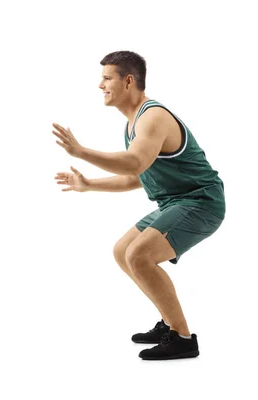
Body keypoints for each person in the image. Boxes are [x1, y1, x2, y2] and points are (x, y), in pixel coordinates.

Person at [53, 50, 225, 360]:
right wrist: (88, 185)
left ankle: (182, 338)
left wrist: (80, 151)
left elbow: (134, 160)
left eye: (107, 77)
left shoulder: (153, 117)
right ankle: (169, 323)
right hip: (176, 202)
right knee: (123, 251)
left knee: (139, 255)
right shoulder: (132, 124)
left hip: (201, 202)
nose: (100, 85)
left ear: (128, 81)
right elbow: (136, 175)